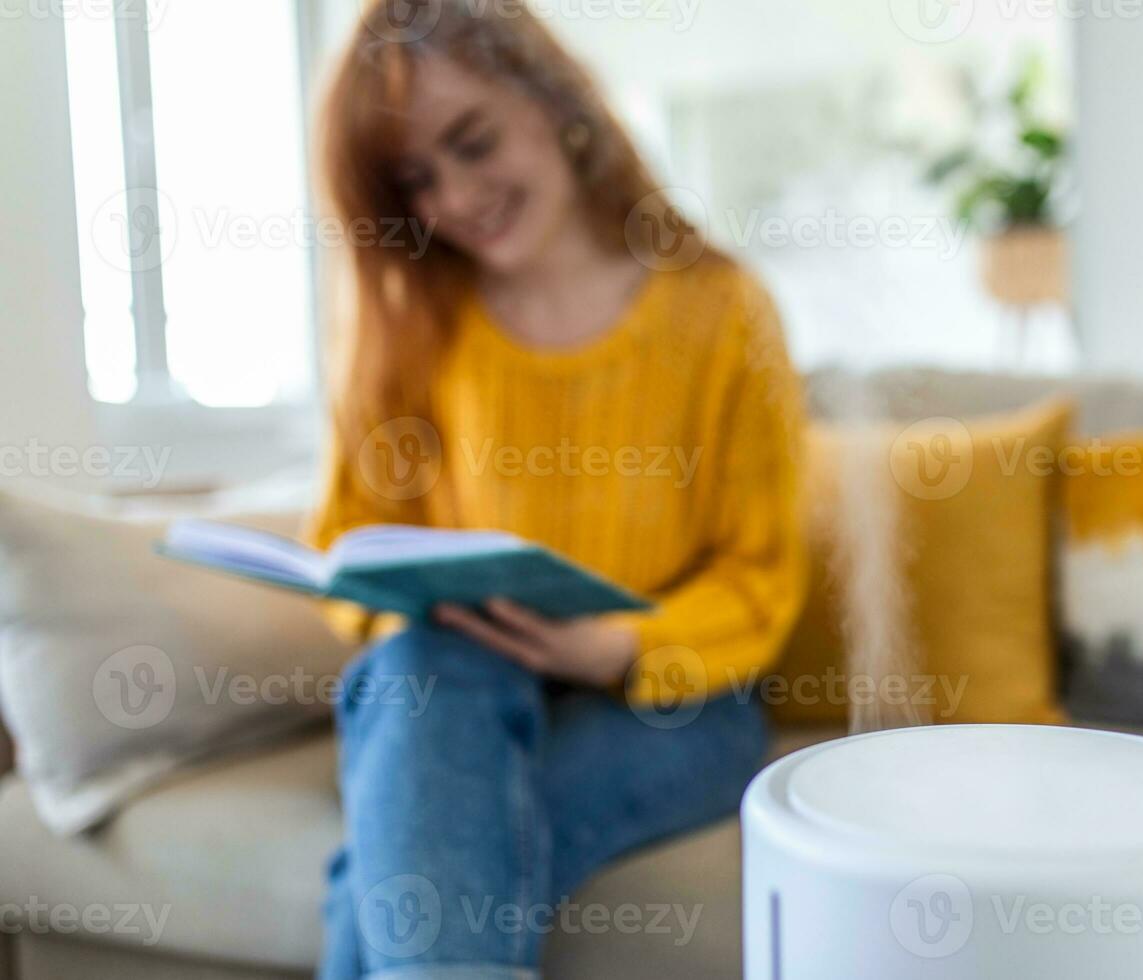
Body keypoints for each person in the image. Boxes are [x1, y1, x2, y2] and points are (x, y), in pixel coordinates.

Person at [307, 1, 807, 976]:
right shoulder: (413, 323)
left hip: (674, 695)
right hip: (458, 682)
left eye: (473, 140)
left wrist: (614, 644)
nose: (455, 195)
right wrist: (422, 604)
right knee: (427, 678)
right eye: (416, 178)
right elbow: (354, 539)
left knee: (405, 863)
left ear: (553, 97)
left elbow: (762, 575)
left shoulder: (722, 311)